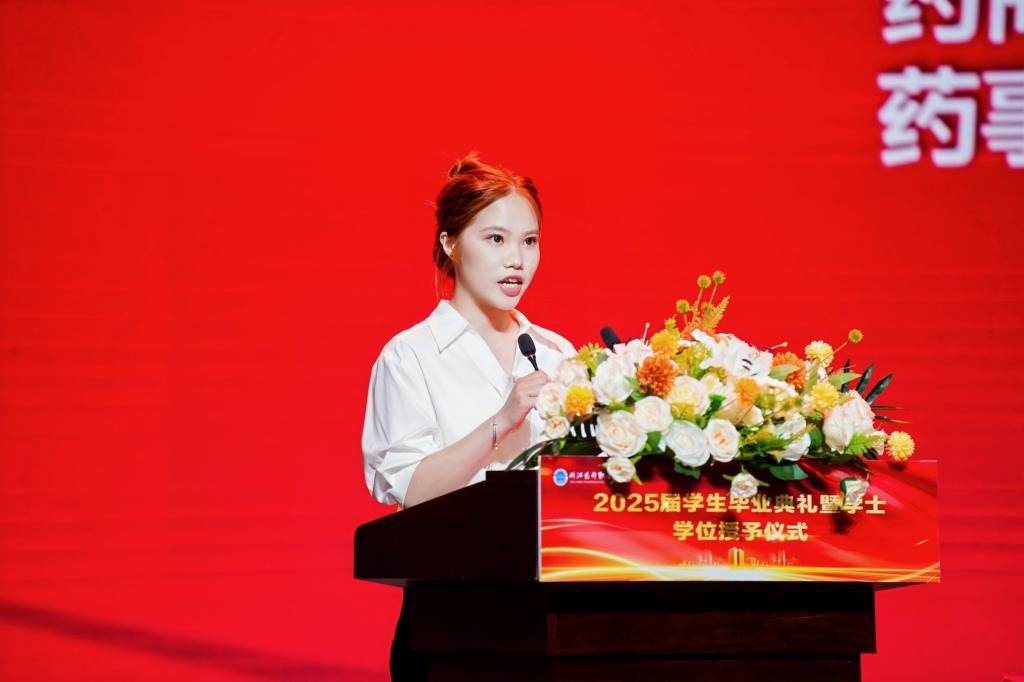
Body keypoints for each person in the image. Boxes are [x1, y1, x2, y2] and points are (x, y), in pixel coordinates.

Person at [360, 150, 575, 681]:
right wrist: (501, 422)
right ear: (450, 243)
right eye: (495, 239)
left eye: (529, 241)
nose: (516, 260)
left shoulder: (556, 353)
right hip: (449, 619)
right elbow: (411, 491)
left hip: (558, 616)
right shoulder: (411, 356)